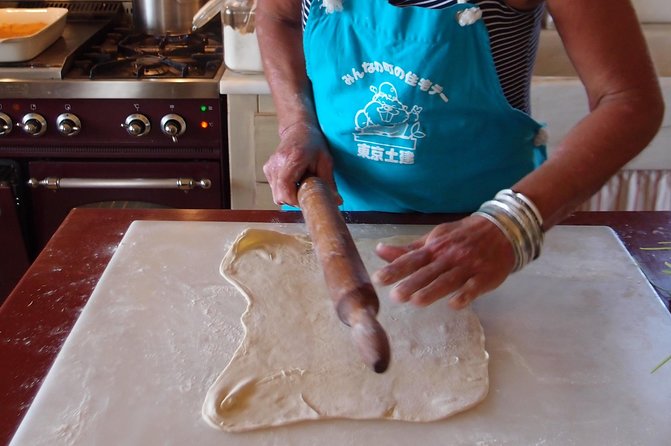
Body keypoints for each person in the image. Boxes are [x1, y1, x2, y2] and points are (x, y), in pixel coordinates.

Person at [256, 0, 664, 309]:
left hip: (486, 240)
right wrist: (297, 124)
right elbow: (278, 15)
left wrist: (511, 223)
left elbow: (628, 100)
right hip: (334, 219)